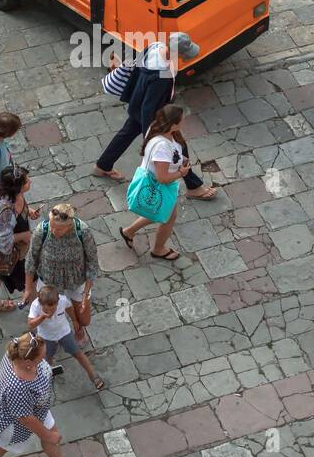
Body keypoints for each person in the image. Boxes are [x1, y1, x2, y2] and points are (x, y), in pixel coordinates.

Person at [94, 33, 216, 200]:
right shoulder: (161, 76)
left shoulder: (154, 46)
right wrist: (149, 136)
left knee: (126, 134)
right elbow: (149, 107)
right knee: (179, 146)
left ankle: (103, 165)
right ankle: (193, 186)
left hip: (136, 103)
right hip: (155, 117)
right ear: (176, 53)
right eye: (183, 54)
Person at [0, 332, 84, 457]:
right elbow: (25, 418)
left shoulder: (18, 348)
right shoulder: (17, 387)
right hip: (12, 423)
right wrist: (47, 435)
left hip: (38, 408)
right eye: (41, 358)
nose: (44, 359)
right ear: (28, 362)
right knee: (1, 445)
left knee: (52, 433)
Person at [119, 103, 192, 261]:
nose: (183, 122)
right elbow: (162, 178)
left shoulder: (156, 128)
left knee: (165, 213)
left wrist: (180, 159)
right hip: (161, 186)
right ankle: (158, 249)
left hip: (157, 181)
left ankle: (129, 232)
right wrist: (181, 172)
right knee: (167, 216)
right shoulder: (162, 148)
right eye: (181, 120)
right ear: (172, 124)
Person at [24, 201, 99, 332]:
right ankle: (55, 335)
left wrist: (86, 293)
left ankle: (78, 326)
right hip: (49, 280)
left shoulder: (83, 231)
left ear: (69, 226)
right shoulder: (42, 230)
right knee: (49, 315)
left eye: (58, 229)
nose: (53, 231)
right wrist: (28, 289)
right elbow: (31, 259)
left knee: (85, 320)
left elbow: (92, 262)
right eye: (52, 226)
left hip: (76, 279)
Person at [28, 284, 104, 389]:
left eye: (54, 308)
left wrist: (74, 320)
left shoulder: (62, 300)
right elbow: (30, 324)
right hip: (46, 336)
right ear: (41, 303)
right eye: (47, 309)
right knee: (47, 358)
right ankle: (46, 377)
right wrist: (42, 317)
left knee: (78, 354)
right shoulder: (35, 305)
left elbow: (69, 308)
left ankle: (94, 376)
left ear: (57, 301)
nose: (51, 312)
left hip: (64, 332)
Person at [0, 164, 35, 314]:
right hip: (13, 255)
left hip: (10, 253)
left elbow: (20, 209)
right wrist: (24, 236)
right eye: (26, 181)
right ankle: (41, 317)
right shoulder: (5, 210)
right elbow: (3, 241)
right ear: (17, 187)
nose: (30, 181)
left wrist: (28, 211)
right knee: (32, 283)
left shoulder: (14, 195)